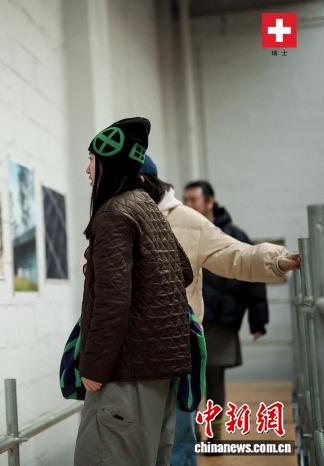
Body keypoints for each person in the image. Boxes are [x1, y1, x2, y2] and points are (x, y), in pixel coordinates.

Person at [138, 161, 300, 465]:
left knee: (206, 390)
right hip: (153, 343)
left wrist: (259, 319)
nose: (189, 203)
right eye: (187, 198)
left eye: (194, 198)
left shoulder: (202, 226)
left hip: (209, 327)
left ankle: (212, 436)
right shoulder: (119, 217)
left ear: (210, 201)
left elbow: (242, 265)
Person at [74, 117, 193, 466]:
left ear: (108, 163)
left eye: (92, 159)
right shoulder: (146, 205)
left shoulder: (114, 213)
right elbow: (183, 272)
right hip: (159, 372)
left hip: (126, 374)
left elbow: (113, 300)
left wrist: (94, 366)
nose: (87, 169)